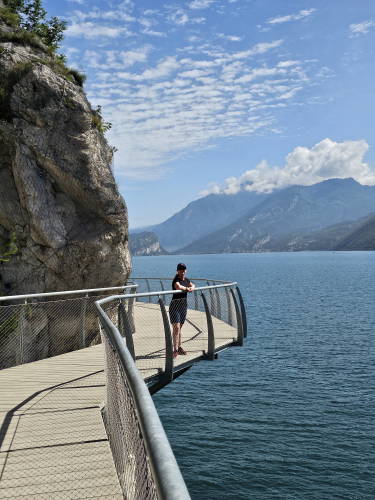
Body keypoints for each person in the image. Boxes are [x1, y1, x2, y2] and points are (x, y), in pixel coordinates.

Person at [169, 263, 195, 358]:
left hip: (183, 306)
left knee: (180, 328)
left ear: (186, 270)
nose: (182, 271)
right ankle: (175, 350)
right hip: (175, 305)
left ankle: (179, 347)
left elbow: (193, 285)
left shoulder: (187, 280)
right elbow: (178, 287)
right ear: (177, 271)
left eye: (184, 270)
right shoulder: (176, 280)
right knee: (176, 327)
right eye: (180, 270)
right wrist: (187, 289)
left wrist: (191, 288)